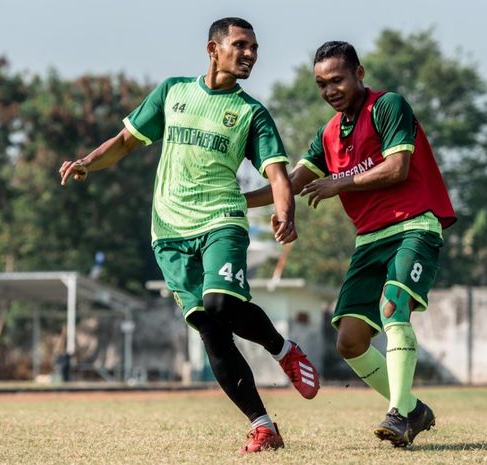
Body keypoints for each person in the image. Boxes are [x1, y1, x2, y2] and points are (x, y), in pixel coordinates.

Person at [58, 17, 320, 454]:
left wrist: (284, 211)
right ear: (213, 49)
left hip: (222, 221)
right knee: (209, 328)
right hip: (169, 233)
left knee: (220, 303)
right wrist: (87, 160)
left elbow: (277, 173)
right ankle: (263, 425)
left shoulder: (252, 113)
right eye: (241, 45)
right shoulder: (173, 92)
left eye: (255, 47)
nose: (251, 53)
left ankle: (282, 349)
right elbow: (125, 141)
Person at [245, 41, 456, 447]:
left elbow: (397, 167)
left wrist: (338, 182)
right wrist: (236, 200)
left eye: (337, 80)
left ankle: (398, 416)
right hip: (370, 239)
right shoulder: (328, 134)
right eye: (322, 84)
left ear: (359, 74)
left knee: (394, 308)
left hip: (413, 226)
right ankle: (413, 409)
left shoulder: (388, 106)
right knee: (351, 341)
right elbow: (284, 184)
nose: (330, 91)